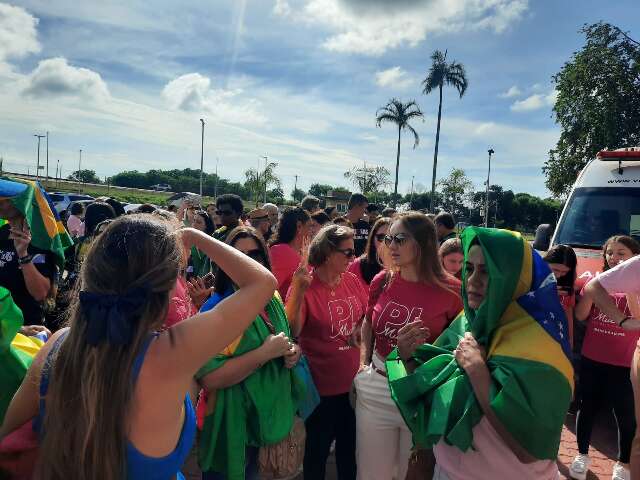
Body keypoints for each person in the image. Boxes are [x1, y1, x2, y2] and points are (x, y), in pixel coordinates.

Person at [0, 214, 277, 480]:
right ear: (169, 287)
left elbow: (8, 437)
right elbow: (262, 282)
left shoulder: (58, 345)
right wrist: (194, 236)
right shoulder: (174, 354)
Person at [387, 227, 574, 480]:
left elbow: (529, 450)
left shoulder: (543, 350)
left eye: (487, 271)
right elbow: (432, 395)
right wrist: (408, 358)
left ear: (512, 278)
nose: (473, 280)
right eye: (469, 268)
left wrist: (478, 372)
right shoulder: (467, 323)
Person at [355, 213, 463, 480]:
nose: (391, 245)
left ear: (424, 242)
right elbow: (369, 322)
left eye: (400, 239)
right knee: (371, 474)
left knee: (413, 472)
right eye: (389, 238)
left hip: (422, 392)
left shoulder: (452, 291)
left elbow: (457, 349)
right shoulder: (382, 280)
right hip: (378, 385)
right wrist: (362, 364)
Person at [196, 227, 302, 479]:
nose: (247, 261)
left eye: (255, 255)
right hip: (230, 423)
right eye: (238, 254)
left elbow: (285, 337)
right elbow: (210, 378)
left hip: (262, 417)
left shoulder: (271, 297)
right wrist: (264, 354)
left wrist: (291, 352)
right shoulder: (216, 308)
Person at [286, 225, 367, 480]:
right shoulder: (305, 284)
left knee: (349, 452)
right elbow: (294, 328)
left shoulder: (352, 280)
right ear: (328, 252)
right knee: (317, 454)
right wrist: (298, 290)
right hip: (321, 389)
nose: (353, 258)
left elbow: (366, 314)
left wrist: (359, 327)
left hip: (354, 386)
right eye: (348, 252)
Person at [570, 235, 640, 480]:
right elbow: (580, 316)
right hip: (593, 358)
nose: (614, 258)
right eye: (610, 253)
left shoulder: (635, 284)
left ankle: (623, 463)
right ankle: (581, 455)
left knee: (625, 415)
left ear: (633, 257)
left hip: (624, 362)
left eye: (621, 253)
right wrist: (590, 293)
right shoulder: (596, 282)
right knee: (586, 407)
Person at [0, 199, 56, 326]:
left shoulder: (40, 240)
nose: (0, 201)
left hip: (26, 326)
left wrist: (23, 254)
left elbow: (40, 294)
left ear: (24, 202)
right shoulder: (2, 233)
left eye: (6, 199)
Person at [269, 207, 310, 298]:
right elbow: (267, 291)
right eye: (309, 226)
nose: (312, 231)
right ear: (299, 226)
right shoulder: (281, 252)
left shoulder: (301, 252)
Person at [543, 244, 578, 349]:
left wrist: (570, 343)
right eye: (555, 270)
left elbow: (568, 316)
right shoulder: (531, 278)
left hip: (556, 339)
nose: (558, 275)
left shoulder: (567, 284)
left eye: (564, 272)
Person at [347, 217, 391, 289]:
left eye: (391, 238)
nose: (385, 243)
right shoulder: (357, 265)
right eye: (381, 237)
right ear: (373, 238)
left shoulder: (405, 268)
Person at [189, 210, 215, 278]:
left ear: (207, 226)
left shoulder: (212, 244)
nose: (194, 224)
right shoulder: (189, 241)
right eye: (194, 220)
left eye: (199, 222)